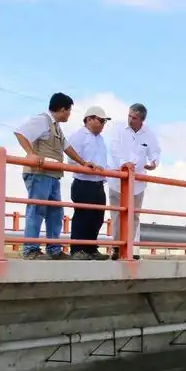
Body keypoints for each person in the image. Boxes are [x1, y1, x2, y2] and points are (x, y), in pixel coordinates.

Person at [14, 92, 99, 260]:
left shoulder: (56, 126)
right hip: (39, 173)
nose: (69, 114)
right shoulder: (42, 120)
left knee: (55, 212)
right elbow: (20, 132)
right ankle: (30, 249)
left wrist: (83, 163)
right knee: (37, 209)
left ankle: (54, 249)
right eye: (69, 111)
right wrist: (30, 153)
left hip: (53, 174)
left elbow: (66, 147)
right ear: (62, 109)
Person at [107, 102, 160, 260]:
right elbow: (114, 149)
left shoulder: (149, 134)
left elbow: (155, 151)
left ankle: (128, 248)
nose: (130, 120)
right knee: (117, 215)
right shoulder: (118, 129)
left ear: (141, 120)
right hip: (118, 180)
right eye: (129, 116)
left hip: (137, 183)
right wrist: (125, 164)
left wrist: (153, 162)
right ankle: (117, 248)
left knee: (134, 216)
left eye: (134, 118)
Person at [66, 106, 111, 260]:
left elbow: (103, 162)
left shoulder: (101, 139)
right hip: (83, 182)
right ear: (89, 119)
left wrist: (110, 171)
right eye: (101, 120)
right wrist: (86, 166)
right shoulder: (79, 136)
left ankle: (91, 248)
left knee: (97, 217)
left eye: (104, 121)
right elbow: (71, 160)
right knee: (83, 216)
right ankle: (77, 249)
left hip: (98, 183)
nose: (103, 124)